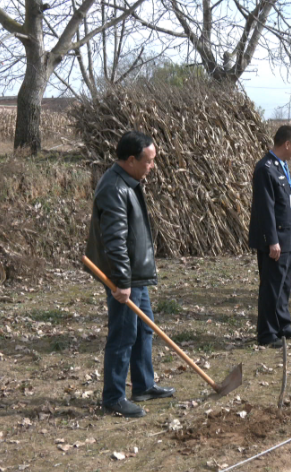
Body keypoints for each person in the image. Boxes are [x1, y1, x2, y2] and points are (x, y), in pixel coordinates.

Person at [85, 131, 175, 418]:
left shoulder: (128, 183)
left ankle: (143, 385)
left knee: (144, 329)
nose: (152, 166)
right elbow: (115, 241)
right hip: (125, 277)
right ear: (132, 159)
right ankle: (113, 397)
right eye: (149, 161)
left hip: (136, 274)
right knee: (123, 334)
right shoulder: (114, 188)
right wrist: (122, 282)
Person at [249, 125, 291, 348]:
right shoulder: (265, 168)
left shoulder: (281, 165)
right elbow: (265, 208)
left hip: (288, 238)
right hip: (275, 240)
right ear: (287, 144)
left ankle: (283, 325)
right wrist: (272, 240)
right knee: (271, 287)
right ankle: (267, 333)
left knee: (284, 285)